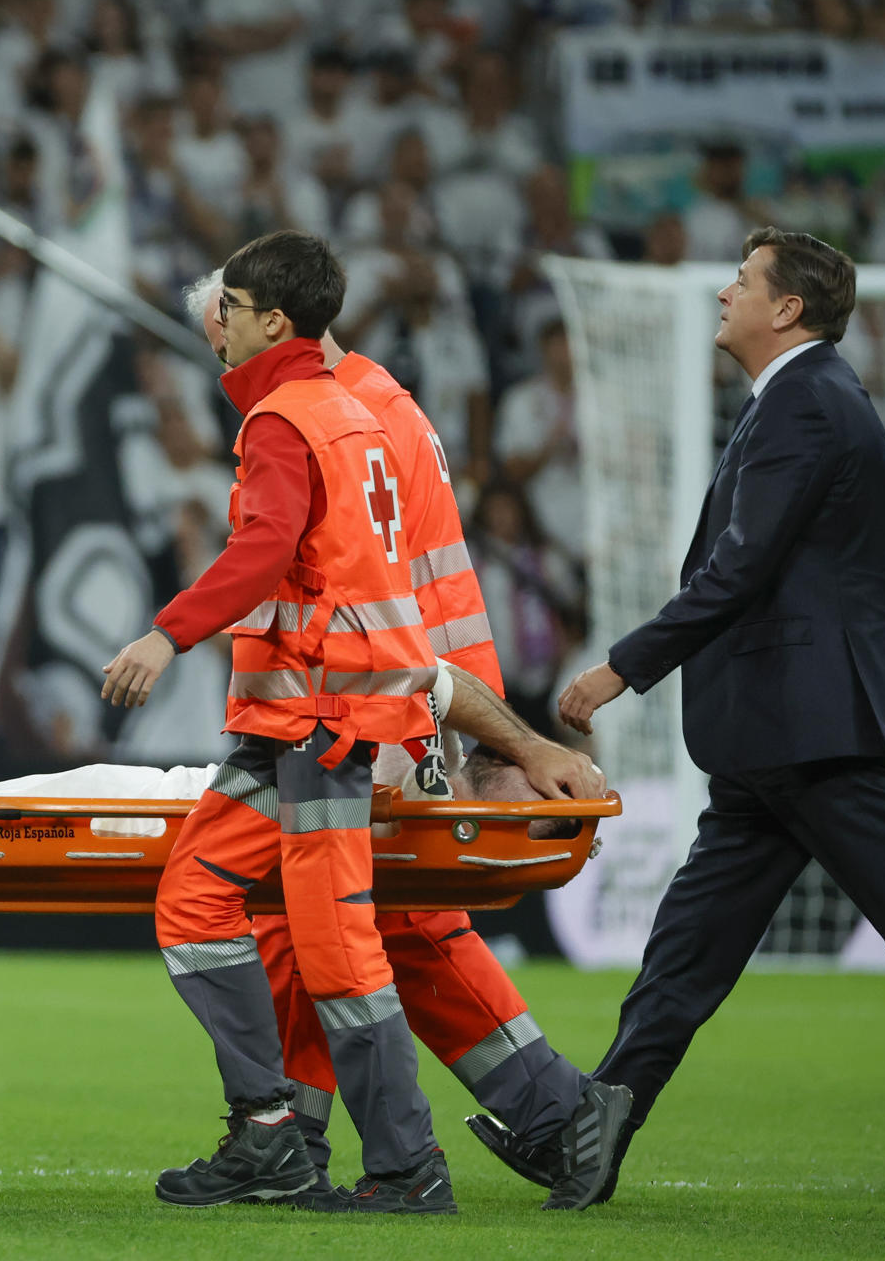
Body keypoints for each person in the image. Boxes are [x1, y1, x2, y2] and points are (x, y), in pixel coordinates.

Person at [183, 267, 628, 1210]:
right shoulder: (375, 406)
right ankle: (326, 1132)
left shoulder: (333, 420)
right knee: (361, 922)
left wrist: (483, 742)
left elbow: (384, 612)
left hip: (394, 700)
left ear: (273, 324)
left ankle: (521, 1116)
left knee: (356, 923)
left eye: (226, 333)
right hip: (414, 692)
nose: (225, 357)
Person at [549, 228, 885, 1203]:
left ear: (787, 309)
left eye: (743, 279)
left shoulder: (807, 402)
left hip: (815, 732)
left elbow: (739, 567)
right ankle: (594, 1130)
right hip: (775, 736)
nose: (725, 292)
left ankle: (596, 1124)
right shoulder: (796, 399)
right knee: (687, 946)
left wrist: (620, 669)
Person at [102, 230, 453, 1214]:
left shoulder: (284, 418)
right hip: (312, 714)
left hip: (318, 714)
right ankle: (267, 1128)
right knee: (197, 898)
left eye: (237, 303)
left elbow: (264, 552)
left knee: (335, 947)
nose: (220, 317)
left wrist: (164, 636)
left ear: (275, 321)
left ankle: (407, 1167)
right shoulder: (347, 409)